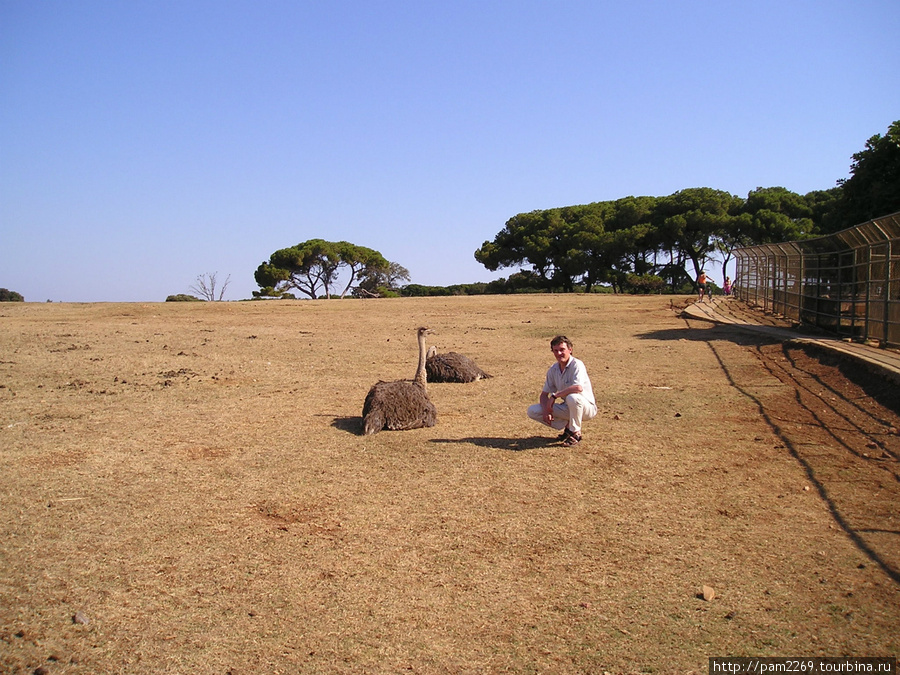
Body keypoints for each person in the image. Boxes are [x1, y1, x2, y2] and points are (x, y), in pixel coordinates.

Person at [527, 335, 597, 446]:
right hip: (568, 407)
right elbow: (544, 395)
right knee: (532, 410)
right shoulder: (553, 369)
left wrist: (555, 396)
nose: (559, 353)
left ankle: (576, 433)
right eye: (556, 351)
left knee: (573, 397)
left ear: (570, 350)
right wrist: (546, 410)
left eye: (562, 350)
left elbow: (578, 388)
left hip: (586, 408)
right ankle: (568, 428)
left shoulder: (577, 365)